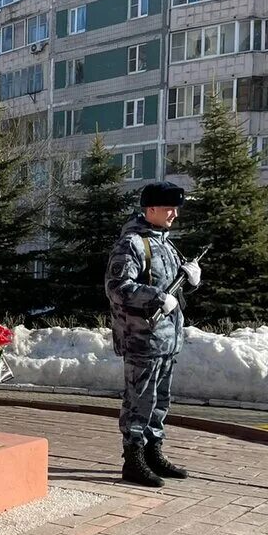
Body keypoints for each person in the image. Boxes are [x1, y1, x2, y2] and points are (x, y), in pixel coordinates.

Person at [105, 181, 202, 489]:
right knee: (139, 401)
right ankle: (133, 459)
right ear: (151, 209)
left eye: (175, 208)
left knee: (160, 400)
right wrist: (157, 298)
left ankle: (153, 451)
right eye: (169, 208)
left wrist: (192, 280)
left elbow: (172, 284)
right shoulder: (132, 244)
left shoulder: (166, 243)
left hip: (166, 339)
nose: (174, 214)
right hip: (142, 339)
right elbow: (117, 288)